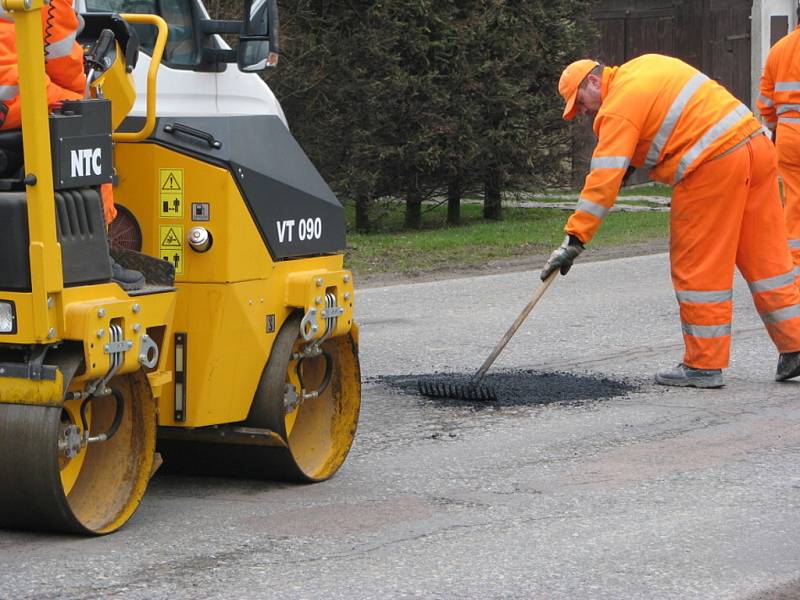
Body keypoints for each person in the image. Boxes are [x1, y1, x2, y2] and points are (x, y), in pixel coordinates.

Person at [542, 54, 800, 388]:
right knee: (769, 263)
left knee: (698, 263)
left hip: (713, 166)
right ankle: (795, 345)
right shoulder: (646, 66)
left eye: (580, 103)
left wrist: (574, 239)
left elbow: (602, 180)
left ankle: (703, 365)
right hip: (757, 149)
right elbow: (664, 122)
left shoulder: (618, 106)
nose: (583, 112)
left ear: (593, 81)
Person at [0, 0, 143, 289]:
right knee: (85, 118)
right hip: (9, 92)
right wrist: (82, 90)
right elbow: (61, 56)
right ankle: (100, 254)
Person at [757, 2, 800, 277]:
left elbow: (765, 103)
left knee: (795, 203)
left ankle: (793, 272)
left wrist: (778, 127)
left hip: (789, 134)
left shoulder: (780, 49)